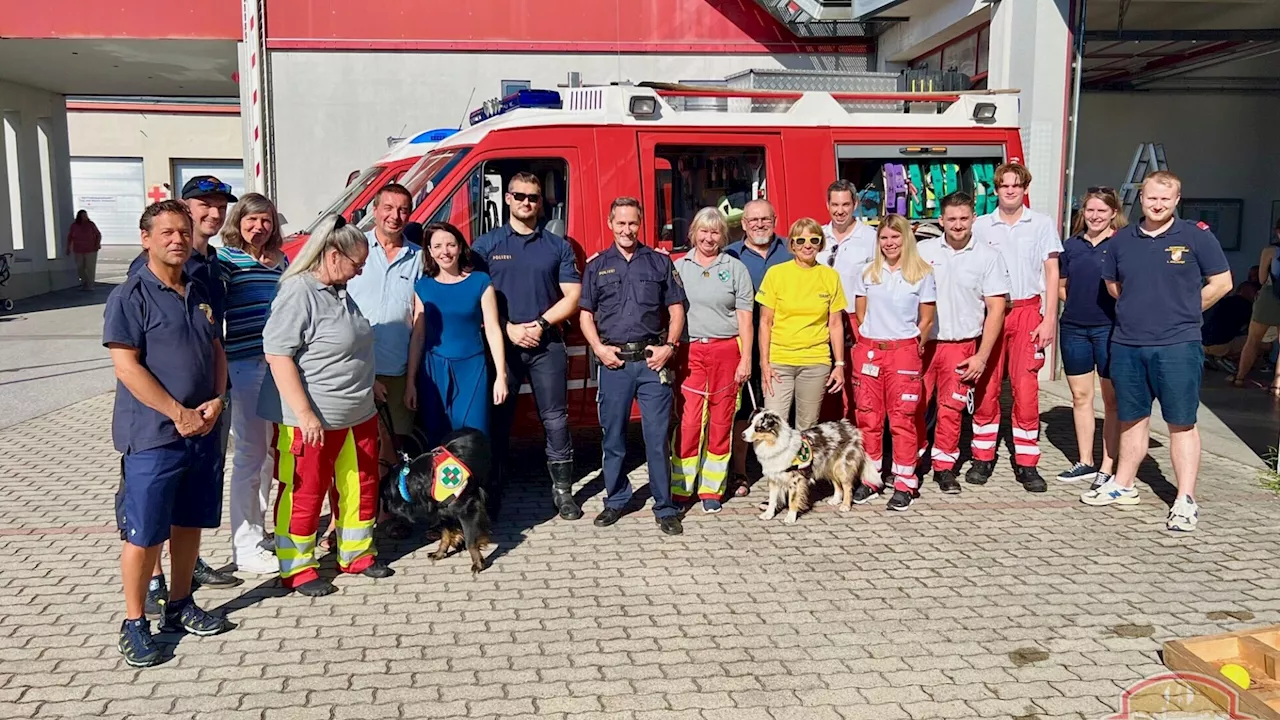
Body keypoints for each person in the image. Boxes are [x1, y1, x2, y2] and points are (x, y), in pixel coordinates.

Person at [104, 200, 233, 667]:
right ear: (146, 239)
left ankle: (180, 605)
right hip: (154, 434)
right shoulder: (130, 296)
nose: (177, 239)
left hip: (202, 429)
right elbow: (126, 367)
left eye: (182, 231)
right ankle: (135, 621)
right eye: (166, 233)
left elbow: (215, 349)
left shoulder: (202, 287)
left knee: (189, 522)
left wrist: (218, 398)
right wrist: (177, 412)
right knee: (144, 532)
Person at [1085, 171, 1233, 533]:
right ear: (1142, 197)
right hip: (1128, 343)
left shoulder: (1197, 237)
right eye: (1152, 198)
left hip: (1177, 345)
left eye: (1165, 199)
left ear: (1177, 201)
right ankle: (1123, 485)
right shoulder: (1121, 241)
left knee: (1181, 422)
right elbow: (1113, 285)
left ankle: (1184, 500)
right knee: (1132, 417)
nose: (1157, 204)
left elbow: (1223, 283)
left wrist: (1185, 311)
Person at [258, 214, 394, 595]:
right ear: (333, 256)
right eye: (357, 263)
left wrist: (371, 381)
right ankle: (298, 568)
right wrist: (305, 414)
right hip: (312, 419)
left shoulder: (339, 290)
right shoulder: (298, 292)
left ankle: (356, 553)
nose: (360, 271)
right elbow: (278, 354)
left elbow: (348, 346)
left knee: (360, 485)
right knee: (305, 491)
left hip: (357, 413)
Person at [127, 176, 241, 619]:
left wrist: (218, 394)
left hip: (207, 399)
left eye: (219, 205)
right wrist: (174, 409)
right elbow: (133, 355)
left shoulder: (214, 264)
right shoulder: (152, 269)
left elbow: (214, 337)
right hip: (161, 417)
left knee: (192, 498)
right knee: (156, 500)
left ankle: (184, 573)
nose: (213, 212)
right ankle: (155, 582)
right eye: (203, 204)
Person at [472, 172, 583, 521]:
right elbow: (472, 297)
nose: (526, 202)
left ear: (541, 202)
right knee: (498, 419)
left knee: (556, 420)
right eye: (519, 196)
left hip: (546, 344)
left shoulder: (557, 247)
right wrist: (507, 329)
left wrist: (539, 324)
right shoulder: (485, 246)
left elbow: (573, 296)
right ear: (507, 198)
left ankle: (562, 492)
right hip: (502, 346)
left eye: (533, 197)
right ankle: (493, 491)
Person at [581, 197, 687, 535]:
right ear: (610, 223)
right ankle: (615, 500)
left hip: (651, 362)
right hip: (614, 364)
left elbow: (676, 309)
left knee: (656, 439)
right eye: (621, 223)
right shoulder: (597, 266)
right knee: (613, 438)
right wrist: (598, 348)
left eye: (632, 223)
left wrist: (669, 347)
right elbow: (585, 314)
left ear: (640, 225)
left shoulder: (657, 262)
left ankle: (665, 506)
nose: (627, 230)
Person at [968, 162, 1063, 492]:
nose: (1010, 190)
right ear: (995, 190)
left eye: (1016, 185)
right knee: (986, 386)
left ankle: (1027, 463)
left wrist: (1050, 317)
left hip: (1026, 311)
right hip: (991, 313)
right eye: (1004, 185)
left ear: (1025, 189)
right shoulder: (980, 226)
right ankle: (982, 457)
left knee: (1025, 389)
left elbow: (1052, 272)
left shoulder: (1041, 224)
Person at [915, 193, 1009, 495]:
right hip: (924, 345)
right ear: (941, 220)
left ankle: (944, 467)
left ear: (973, 220)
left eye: (964, 219)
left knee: (951, 410)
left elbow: (996, 309)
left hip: (961, 345)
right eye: (951, 219)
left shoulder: (988, 257)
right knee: (913, 405)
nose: (957, 225)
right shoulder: (922, 251)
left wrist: (982, 356)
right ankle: (910, 463)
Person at [216, 193, 288, 575]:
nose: (259, 227)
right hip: (244, 364)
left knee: (270, 456)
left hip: (278, 365)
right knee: (249, 454)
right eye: (252, 220)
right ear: (238, 221)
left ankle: (260, 533)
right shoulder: (226, 259)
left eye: (266, 221)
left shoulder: (282, 260)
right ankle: (243, 544)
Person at [848, 214, 936, 511]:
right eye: (884, 238)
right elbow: (861, 314)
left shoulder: (922, 273)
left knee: (902, 418)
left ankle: (904, 482)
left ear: (906, 239)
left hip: (903, 352)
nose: (889, 243)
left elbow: (926, 320)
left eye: (895, 237)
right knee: (869, 418)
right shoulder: (868, 273)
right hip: (871, 350)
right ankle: (872, 479)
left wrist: (908, 344)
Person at [670, 207, 754, 513]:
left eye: (715, 232)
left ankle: (711, 490)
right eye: (703, 231)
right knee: (690, 421)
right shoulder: (678, 267)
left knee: (721, 421)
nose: (709, 237)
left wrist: (746, 358)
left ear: (723, 235)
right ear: (693, 233)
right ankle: (681, 488)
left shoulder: (735, 269)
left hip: (726, 351)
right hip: (690, 350)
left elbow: (746, 319)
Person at [406, 222, 508, 443]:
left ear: (460, 247)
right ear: (430, 252)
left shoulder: (480, 282)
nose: (445, 251)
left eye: (451, 244)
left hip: (473, 369)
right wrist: (410, 382)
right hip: (433, 371)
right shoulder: (423, 287)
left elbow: (492, 329)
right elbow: (418, 336)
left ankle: (474, 479)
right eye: (438, 246)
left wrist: (501, 375)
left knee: (474, 436)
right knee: (438, 436)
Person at [344, 184, 421, 474]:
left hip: (396, 369)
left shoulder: (419, 258)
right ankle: (349, 514)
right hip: (354, 368)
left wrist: (412, 378)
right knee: (353, 447)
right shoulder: (353, 248)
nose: (395, 216)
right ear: (374, 210)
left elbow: (418, 322)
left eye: (403, 209)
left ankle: (385, 514)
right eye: (388, 208)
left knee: (390, 448)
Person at [1056, 187, 1125, 489]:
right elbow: (1061, 285)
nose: (1095, 216)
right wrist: (1072, 304)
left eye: (1101, 210)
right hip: (1074, 329)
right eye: (1090, 210)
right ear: (1082, 213)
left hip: (1109, 329)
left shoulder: (1122, 244)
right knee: (1081, 397)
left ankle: (1108, 465)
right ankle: (1085, 461)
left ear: (1113, 213)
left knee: (1111, 400)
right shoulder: (1071, 246)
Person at [724, 199, 791, 496]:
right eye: (753, 221)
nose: (759, 225)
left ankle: (787, 469)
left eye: (765, 219)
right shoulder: (730, 256)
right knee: (745, 412)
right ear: (743, 224)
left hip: (787, 344)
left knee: (782, 410)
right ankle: (739, 472)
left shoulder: (792, 250)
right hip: (747, 346)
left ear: (775, 219)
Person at [756, 218, 846, 432]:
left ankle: (802, 466)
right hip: (780, 361)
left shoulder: (830, 277)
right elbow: (765, 323)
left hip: (815, 362)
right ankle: (776, 467)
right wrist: (764, 364)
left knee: (807, 428)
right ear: (793, 245)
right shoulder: (776, 274)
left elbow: (835, 324)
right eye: (801, 240)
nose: (807, 245)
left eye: (814, 240)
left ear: (820, 244)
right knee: (773, 426)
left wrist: (840, 364)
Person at [821, 180, 879, 424]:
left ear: (855, 204)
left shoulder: (871, 238)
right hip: (821, 321)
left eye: (845, 204)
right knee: (824, 382)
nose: (840, 210)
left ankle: (860, 435)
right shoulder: (817, 236)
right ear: (827, 205)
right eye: (835, 204)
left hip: (857, 318)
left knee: (858, 380)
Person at [1230, 219, 1280, 393]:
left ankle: (1240, 377)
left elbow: (1260, 279)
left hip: (1269, 297)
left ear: (1277, 231)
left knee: (1253, 340)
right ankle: (1277, 384)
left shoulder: (1270, 251)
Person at [67, 209, 102, 291]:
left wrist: (97, 244)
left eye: (86, 215)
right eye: (83, 216)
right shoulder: (74, 225)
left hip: (91, 249)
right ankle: (84, 282)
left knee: (90, 268)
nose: (85, 217)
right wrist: (68, 248)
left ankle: (90, 284)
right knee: (80, 267)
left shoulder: (91, 225)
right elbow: (70, 237)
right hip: (78, 249)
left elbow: (98, 234)